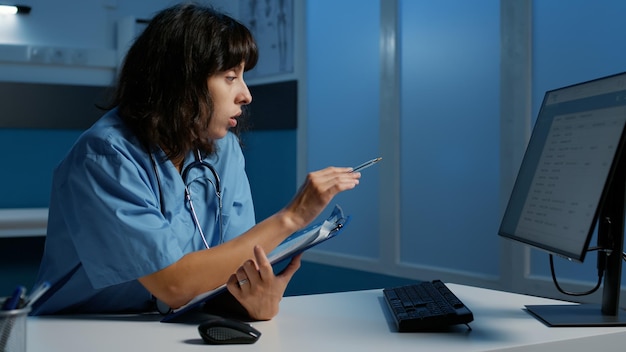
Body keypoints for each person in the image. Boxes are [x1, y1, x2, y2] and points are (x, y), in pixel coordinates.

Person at [30, 3, 361, 321]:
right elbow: (173, 284)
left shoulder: (223, 150)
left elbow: (238, 265)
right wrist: (292, 218)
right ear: (182, 82)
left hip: (175, 324)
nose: (246, 94)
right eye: (231, 77)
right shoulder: (105, 156)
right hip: (80, 329)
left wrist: (260, 300)